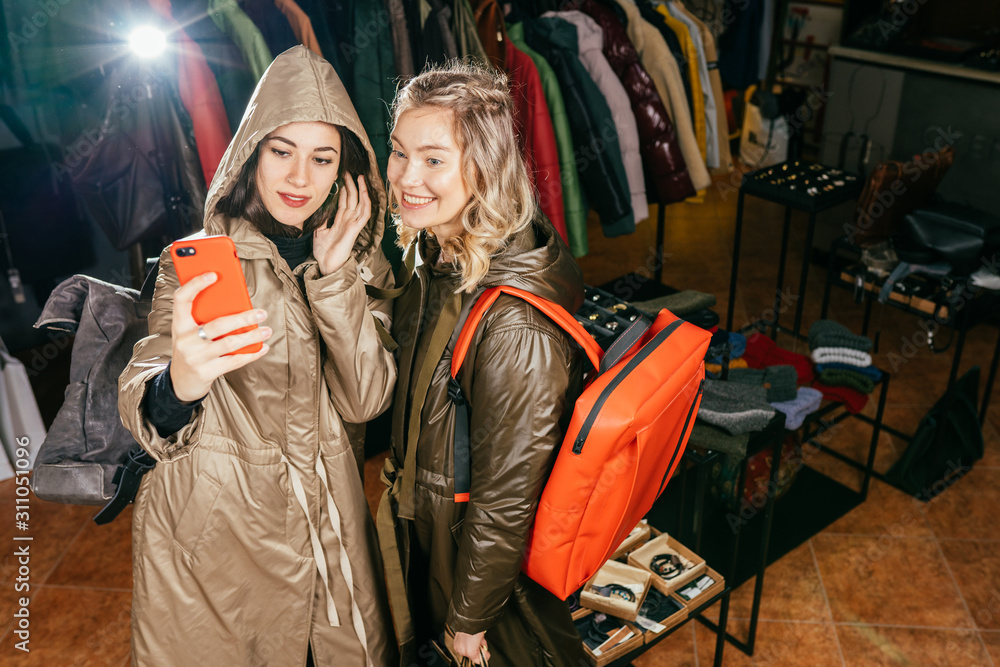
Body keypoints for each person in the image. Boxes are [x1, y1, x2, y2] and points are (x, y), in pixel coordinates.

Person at [118, 46, 398, 666]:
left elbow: (366, 398)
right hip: (222, 533)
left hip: (326, 517)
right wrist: (178, 383)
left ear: (344, 171)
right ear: (252, 154)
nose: (300, 178)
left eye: (321, 158)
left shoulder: (359, 262)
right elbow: (147, 390)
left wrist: (334, 279)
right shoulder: (196, 259)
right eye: (282, 152)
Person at [377, 61, 588, 666]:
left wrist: (469, 620)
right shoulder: (438, 250)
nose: (406, 177)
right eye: (399, 152)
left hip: (477, 575)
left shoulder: (515, 326)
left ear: (483, 168)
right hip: (435, 538)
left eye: (434, 159)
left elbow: (506, 498)